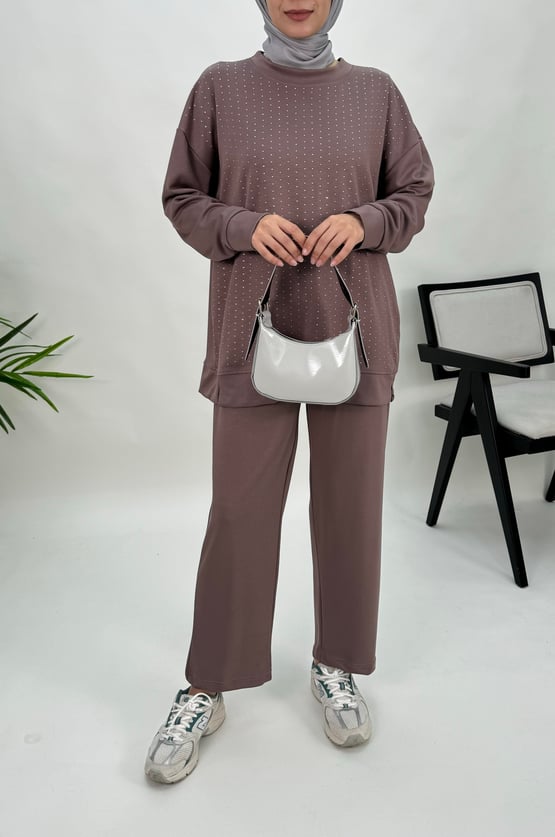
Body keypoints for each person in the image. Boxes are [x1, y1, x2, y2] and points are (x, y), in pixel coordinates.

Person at [145, 0, 434, 784]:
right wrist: (241, 226)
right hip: (250, 332)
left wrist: (365, 221)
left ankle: (335, 664)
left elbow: (413, 192)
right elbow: (182, 197)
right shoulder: (220, 88)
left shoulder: (375, 92)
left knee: (349, 510)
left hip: (356, 332)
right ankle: (206, 685)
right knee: (237, 515)